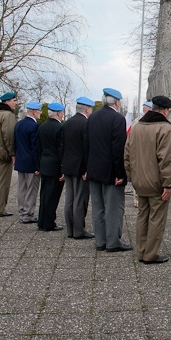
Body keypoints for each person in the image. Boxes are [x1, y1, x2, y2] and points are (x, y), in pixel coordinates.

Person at [124, 95, 171, 264]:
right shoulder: (166, 129)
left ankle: (141, 251)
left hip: (140, 181)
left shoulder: (137, 127)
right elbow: (167, 160)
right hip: (157, 184)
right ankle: (151, 254)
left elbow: (127, 154)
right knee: (156, 218)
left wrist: (132, 177)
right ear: (166, 111)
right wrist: (168, 184)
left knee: (142, 215)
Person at [85, 88, 132, 252]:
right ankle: (113, 242)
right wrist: (121, 173)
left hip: (93, 169)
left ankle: (100, 241)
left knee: (97, 207)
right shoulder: (118, 119)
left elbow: (86, 144)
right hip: (111, 171)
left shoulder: (92, 118)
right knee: (113, 208)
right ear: (117, 102)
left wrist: (86, 168)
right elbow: (118, 148)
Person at [62, 96, 96, 240]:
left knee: (69, 199)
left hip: (68, 166)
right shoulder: (86, 124)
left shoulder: (67, 123)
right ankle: (79, 230)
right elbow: (86, 149)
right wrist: (85, 169)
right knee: (80, 200)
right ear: (87, 109)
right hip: (79, 168)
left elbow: (62, 146)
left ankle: (70, 230)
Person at [37, 102, 65, 232]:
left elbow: (38, 148)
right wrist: (62, 168)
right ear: (59, 113)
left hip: (45, 163)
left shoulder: (42, 127)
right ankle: (49, 223)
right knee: (53, 196)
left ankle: (42, 221)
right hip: (55, 166)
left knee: (44, 194)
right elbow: (61, 150)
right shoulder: (60, 128)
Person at [13, 101, 42, 224]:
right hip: (31, 163)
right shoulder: (35, 126)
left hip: (21, 161)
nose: (40, 113)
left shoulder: (18, 124)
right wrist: (38, 165)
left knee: (22, 188)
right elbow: (35, 148)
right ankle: (28, 214)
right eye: (39, 111)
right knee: (31, 189)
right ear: (34, 112)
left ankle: (22, 211)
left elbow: (15, 143)